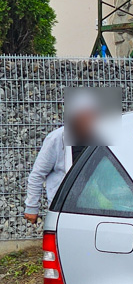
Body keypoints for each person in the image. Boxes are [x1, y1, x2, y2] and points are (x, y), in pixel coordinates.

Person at [23, 94, 99, 223]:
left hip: (94, 205)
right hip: (63, 206)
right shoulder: (56, 139)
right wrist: (31, 207)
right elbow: (37, 174)